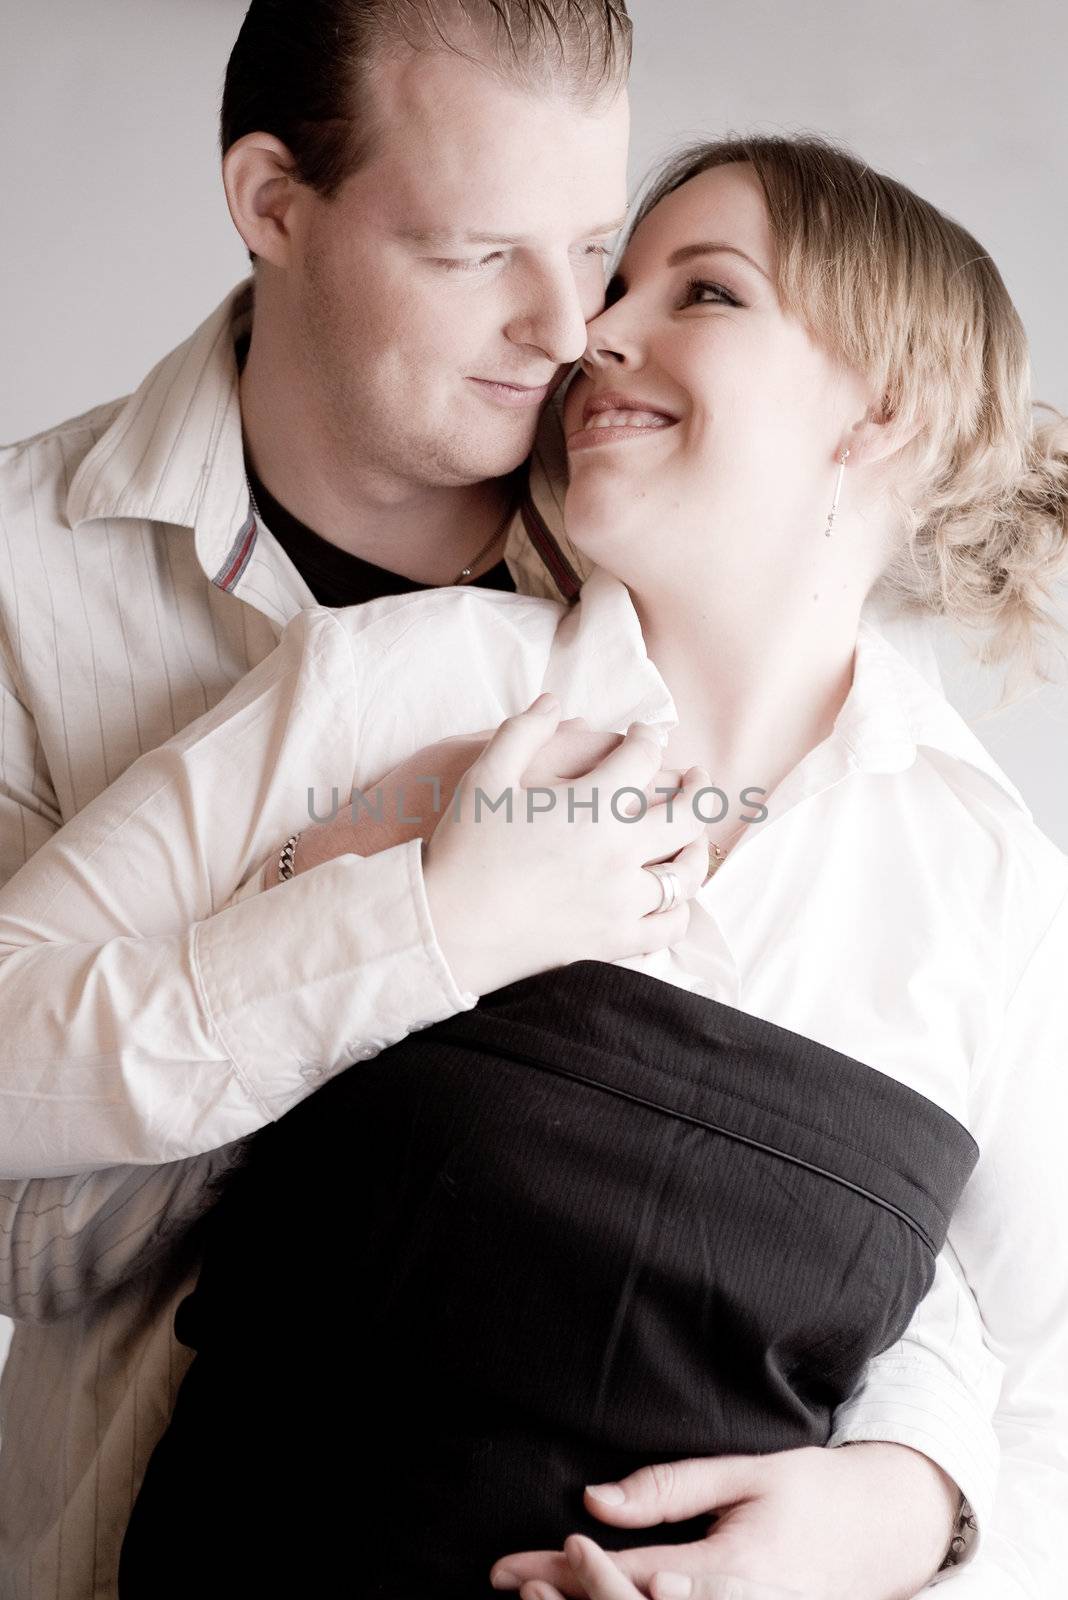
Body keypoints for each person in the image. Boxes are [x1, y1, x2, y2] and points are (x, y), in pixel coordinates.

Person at [0, 3, 1000, 1593]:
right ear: (274, 204)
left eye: (596, 251)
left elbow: (932, 1265)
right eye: (477, 255)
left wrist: (905, 1503)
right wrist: (397, 910)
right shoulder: (111, 610)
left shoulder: (904, 791)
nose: (572, 329)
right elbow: (38, 1241)